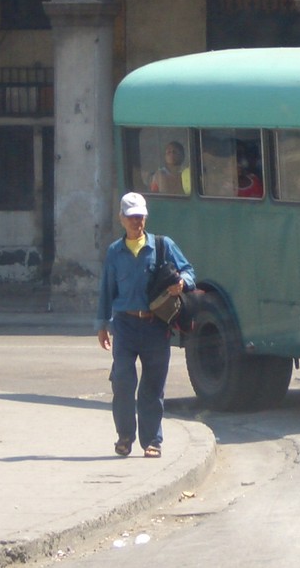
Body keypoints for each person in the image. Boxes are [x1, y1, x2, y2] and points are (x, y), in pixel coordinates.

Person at [95, 192, 196, 459]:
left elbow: (189, 271)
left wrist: (182, 283)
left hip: (156, 326)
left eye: (140, 217)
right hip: (125, 326)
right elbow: (107, 289)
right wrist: (102, 324)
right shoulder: (115, 252)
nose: (136, 222)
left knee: (152, 387)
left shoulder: (163, 246)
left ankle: (152, 440)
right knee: (123, 383)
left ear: (146, 217)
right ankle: (124, 437)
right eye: (131, 217)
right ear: (121, 219)